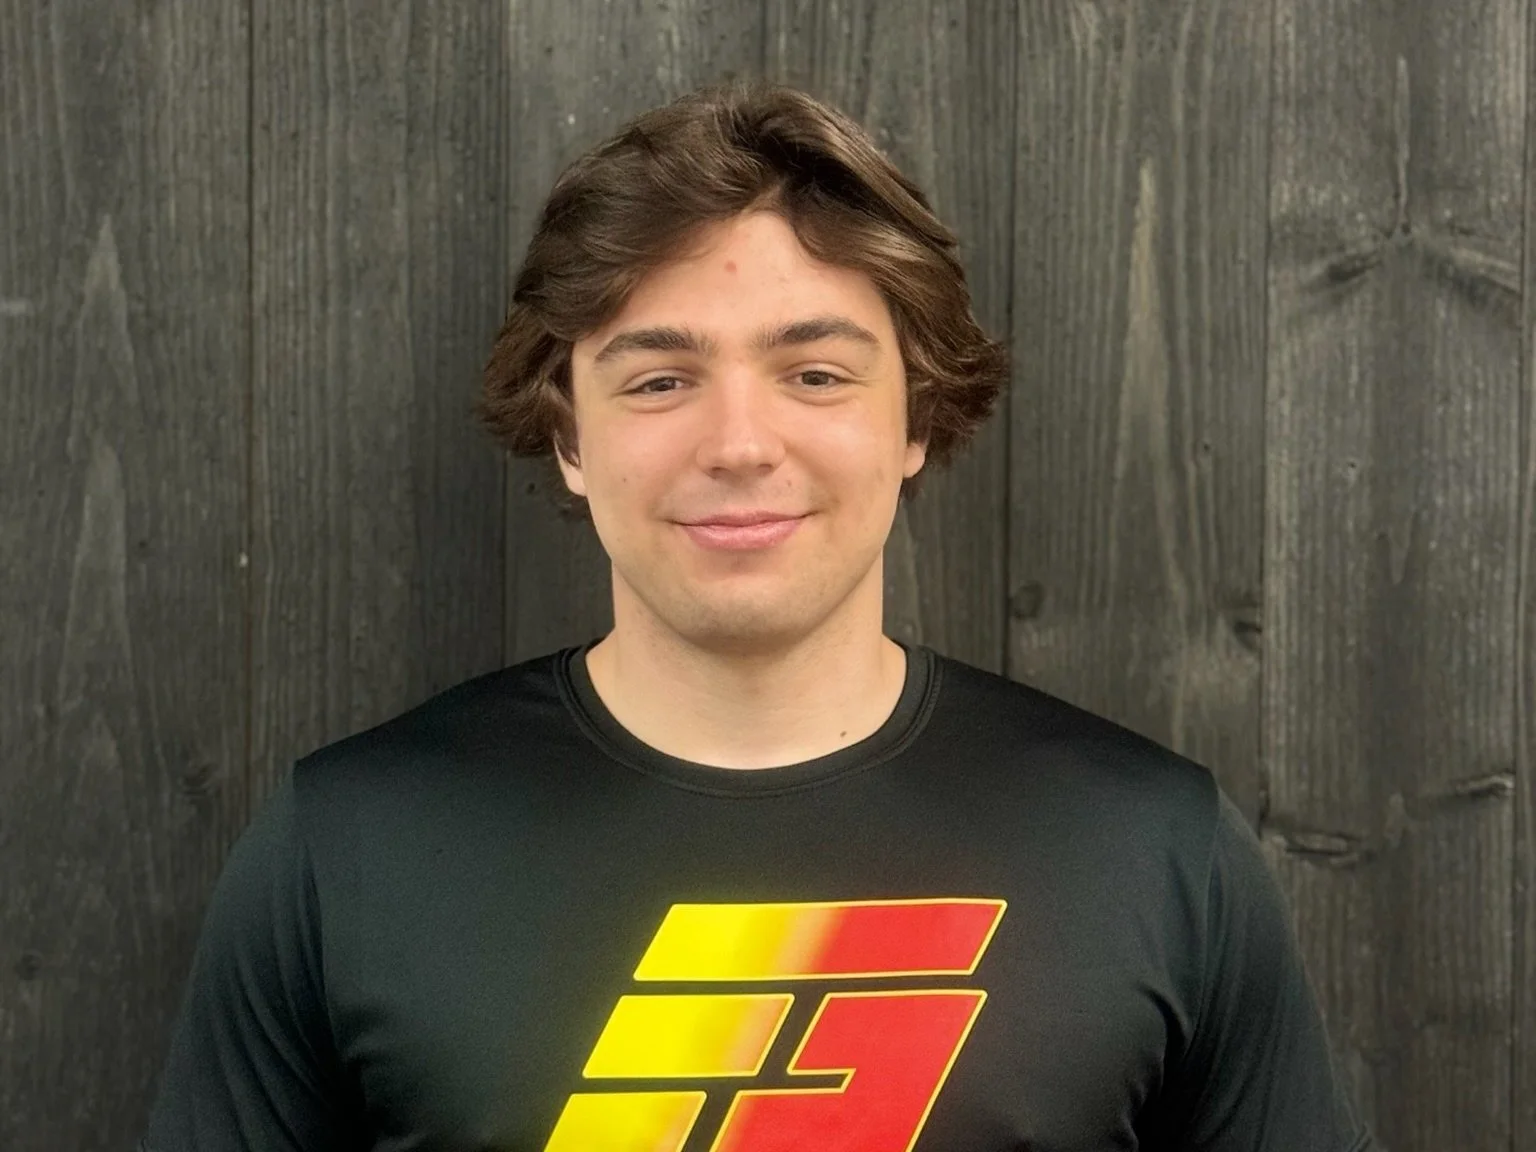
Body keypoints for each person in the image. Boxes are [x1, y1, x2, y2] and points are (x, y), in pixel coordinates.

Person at [139, 77, 1376, 1151]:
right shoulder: (344, 851)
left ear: (915, 420)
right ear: (569, 433)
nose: (738, 443)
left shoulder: (1155, 852)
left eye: (816, 374)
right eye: (662, 378)